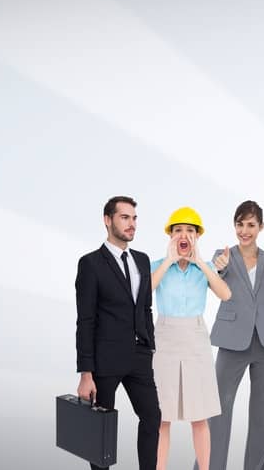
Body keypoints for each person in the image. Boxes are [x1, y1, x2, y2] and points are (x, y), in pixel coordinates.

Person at [75, 195, 160, 470]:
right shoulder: (90, 264)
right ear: (107, 220)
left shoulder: (142, 260)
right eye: (125, 217)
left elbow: (145, 307)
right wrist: (86, 373)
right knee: (101, 429)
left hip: (139, 356)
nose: (131, 224)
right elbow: (85, 320)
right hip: (105, 360)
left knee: (152, 417)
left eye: (134, 218)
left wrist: (150, 345)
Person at [206, 201, 264, 470]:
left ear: (261, 227)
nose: (245, 230)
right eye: (240, 224)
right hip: (232, 341)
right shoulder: (224, 255)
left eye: (251, 225)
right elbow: (214, 277)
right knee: (218, 408)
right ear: (234, 226)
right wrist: (217, 267)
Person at [150, 207, 234, 470]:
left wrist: (200, 263)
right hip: (164, 338)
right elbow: (143, 293)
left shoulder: (205, 268)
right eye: (178, 231)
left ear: (197, 236)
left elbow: (225, 294)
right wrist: (168, 261)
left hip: (196, 338)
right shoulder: (156, 265)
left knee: (200, 416)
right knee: (161, 416)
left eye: (189, 231)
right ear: (170, 236)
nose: (183, 235)